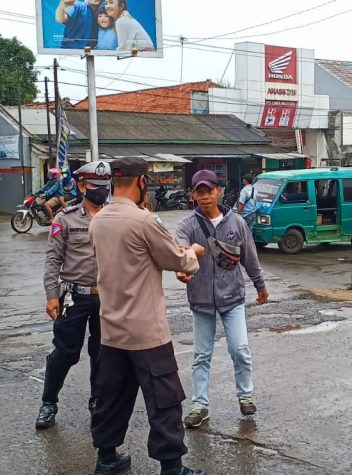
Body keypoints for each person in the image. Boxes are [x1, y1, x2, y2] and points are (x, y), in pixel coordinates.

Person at [87, 156, 206, 475]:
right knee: (164, 399)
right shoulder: (144, 221)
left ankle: (107, 458)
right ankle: (172, 468)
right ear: (141, 182)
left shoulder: (97, 220)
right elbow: (175, 259)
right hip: (146, 331)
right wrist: (193, 254)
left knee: (111, 395)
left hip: (111, 328)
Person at [176, 170, 268, 429]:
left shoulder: (237, 223)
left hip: (233, 298)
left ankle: (245, 395)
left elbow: (250, 256)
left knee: (239, 349)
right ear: (193, 195)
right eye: (199, 192)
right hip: (201, 299)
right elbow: (179, 248)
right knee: (201, 355)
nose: (205, 197)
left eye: (209, 191)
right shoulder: (188, 225)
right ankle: (199, 405)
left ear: (219, 192)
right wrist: (182, 264)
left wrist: (260, 284)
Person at [35, 162, 112, 430]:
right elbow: (53, 259)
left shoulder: (114, 217)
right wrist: (51, 294)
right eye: (95, 187)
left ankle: (97, 401)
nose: (101, 192)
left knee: (102, 353)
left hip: (107, 298)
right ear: (81, 186)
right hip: (73, 296)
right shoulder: (64, 218)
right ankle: (49, 403)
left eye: (105, 187)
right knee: (65, 352)